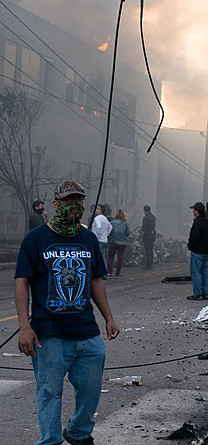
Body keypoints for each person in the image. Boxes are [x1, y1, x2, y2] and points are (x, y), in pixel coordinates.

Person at [14, 180, 120, 445]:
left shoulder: (88, 239)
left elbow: (96, 280)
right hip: (49, 333)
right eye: (67, 201)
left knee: (91, 389)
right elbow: (22, 282)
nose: (73, 206)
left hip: (86, 330)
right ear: (56, 204)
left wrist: (108, 317)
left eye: (78, 201)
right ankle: (50, 440)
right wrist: (24, 326)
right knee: (50, 391)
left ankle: (78, 431)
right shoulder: (35, 239)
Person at [187, 202, 208, 300]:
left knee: (196, 273)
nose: (193, 211)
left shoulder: (197, 223)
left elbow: (193, 237)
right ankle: (205, 293)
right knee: (205, 272)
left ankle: (197, 294)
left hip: (197, 251)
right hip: (206, 251)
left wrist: (190, 246)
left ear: (196, 211)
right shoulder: (207, 221)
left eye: (193, 209)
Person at [107, 208, 130, 277]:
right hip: (122, 243)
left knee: (110, 257)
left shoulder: (112, 222)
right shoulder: (125, 223)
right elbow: (127, 234)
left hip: (113, 242)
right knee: (120, 258)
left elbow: (109, 232)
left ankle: (109, 273)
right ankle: (117, 273)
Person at [141, 205, 156, 269]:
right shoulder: (153, 217)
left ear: (144, 211)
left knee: (147, 250)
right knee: (151, 249)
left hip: (147, 235)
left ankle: (148, 264)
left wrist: (141, 236)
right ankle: (151, 263)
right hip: (152, 235)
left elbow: (144, 229)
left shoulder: (145, 218)